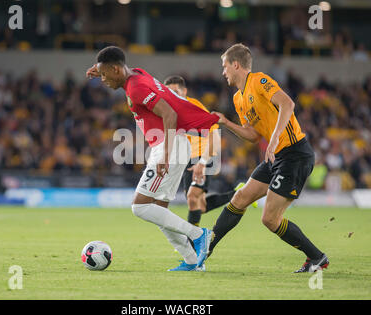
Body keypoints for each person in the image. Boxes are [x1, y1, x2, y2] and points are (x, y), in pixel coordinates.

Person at [196, 43, 329, 273]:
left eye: (224, 66)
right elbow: (254, 135)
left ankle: (317, 257)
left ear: (235, 64)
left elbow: (288, 103)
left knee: (269, 219)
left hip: (295, 154)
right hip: (276, 156)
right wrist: (226, 123)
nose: (223, 72)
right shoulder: (238, 98)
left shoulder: (259, 81)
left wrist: (276, 137)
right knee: (240, 198)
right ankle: (204, 251)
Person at [86, 46, 218, 271]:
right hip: (173, 146)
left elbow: (170, 114)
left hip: (170, 148)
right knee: (159, 210)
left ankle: (199, 234)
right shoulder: (136, 74)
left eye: (105, 74)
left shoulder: (136, 88)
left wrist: (165, 155)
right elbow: (120, 72)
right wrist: (100, 69)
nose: (103, 80)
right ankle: (192, 261)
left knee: (140, 207)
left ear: (116, 69)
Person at [164, 75, 239, 226]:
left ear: (184, 91)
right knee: (200, 206)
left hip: (200, 155)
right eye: (169, 93)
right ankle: (240, 194)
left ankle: (193, 242)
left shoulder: (194, 107)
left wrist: (203, 161)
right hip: (186, 159)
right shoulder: (168, 110)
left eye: (176, 92)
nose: (173, 96)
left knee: (192, 197)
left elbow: (214, 134)